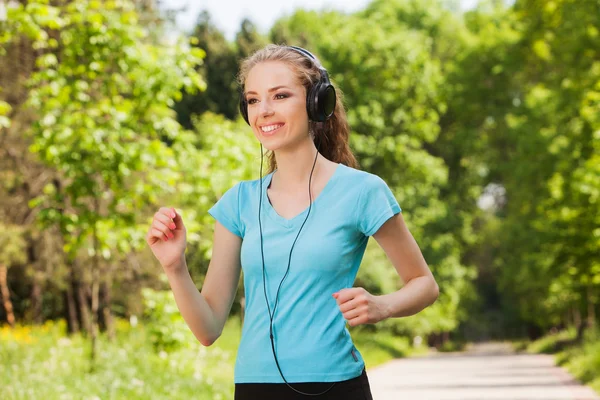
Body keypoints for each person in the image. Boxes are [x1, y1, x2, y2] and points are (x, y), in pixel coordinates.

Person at [146, 44, 439, 399]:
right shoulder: (238, 202)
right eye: (253, 100)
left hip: (337, 387)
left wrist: (382, 306)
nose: (264, 111)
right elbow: (208, 329)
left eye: (280, 95)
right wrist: (174, 266)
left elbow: (424, 283)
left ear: (318, 102)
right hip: (255, 388)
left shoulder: (363, 191)